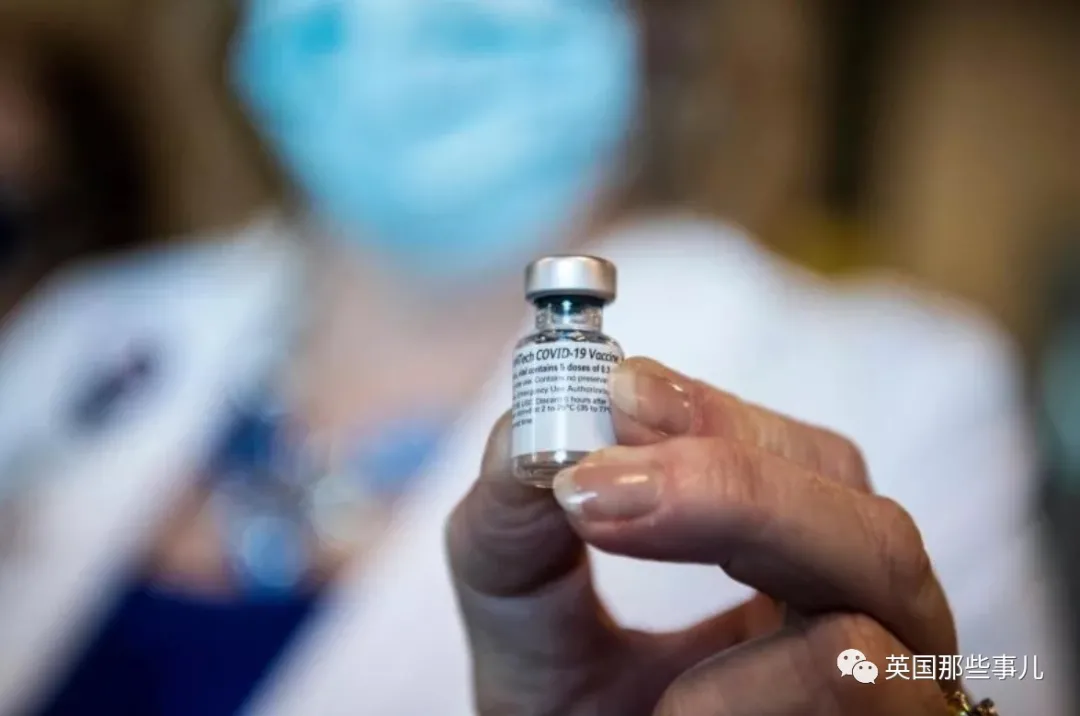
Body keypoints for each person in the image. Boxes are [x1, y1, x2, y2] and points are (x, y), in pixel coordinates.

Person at [0, 2, 1070, 715]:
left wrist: (942, 704)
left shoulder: (906, 390)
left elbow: (974, 684)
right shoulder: (77, 337)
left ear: (666, 23)